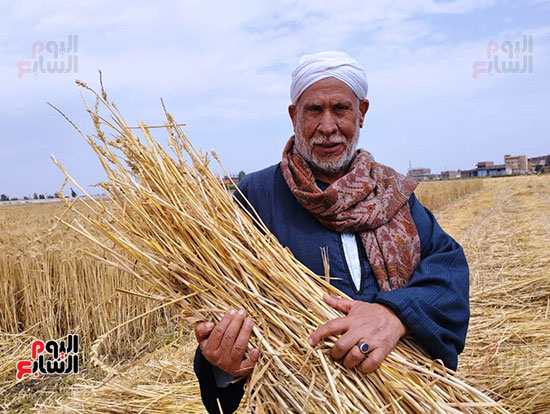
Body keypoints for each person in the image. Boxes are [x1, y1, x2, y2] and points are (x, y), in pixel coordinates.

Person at [193, 51, 470, 414]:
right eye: (313, 110)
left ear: (361, 113)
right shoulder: (255, 197)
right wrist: (222, 365)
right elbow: (222, 308)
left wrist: (394, 315)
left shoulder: (392, 193)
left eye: (340, 109)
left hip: (404, 399)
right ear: (294, 116)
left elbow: (448, 268)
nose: (327, 126)